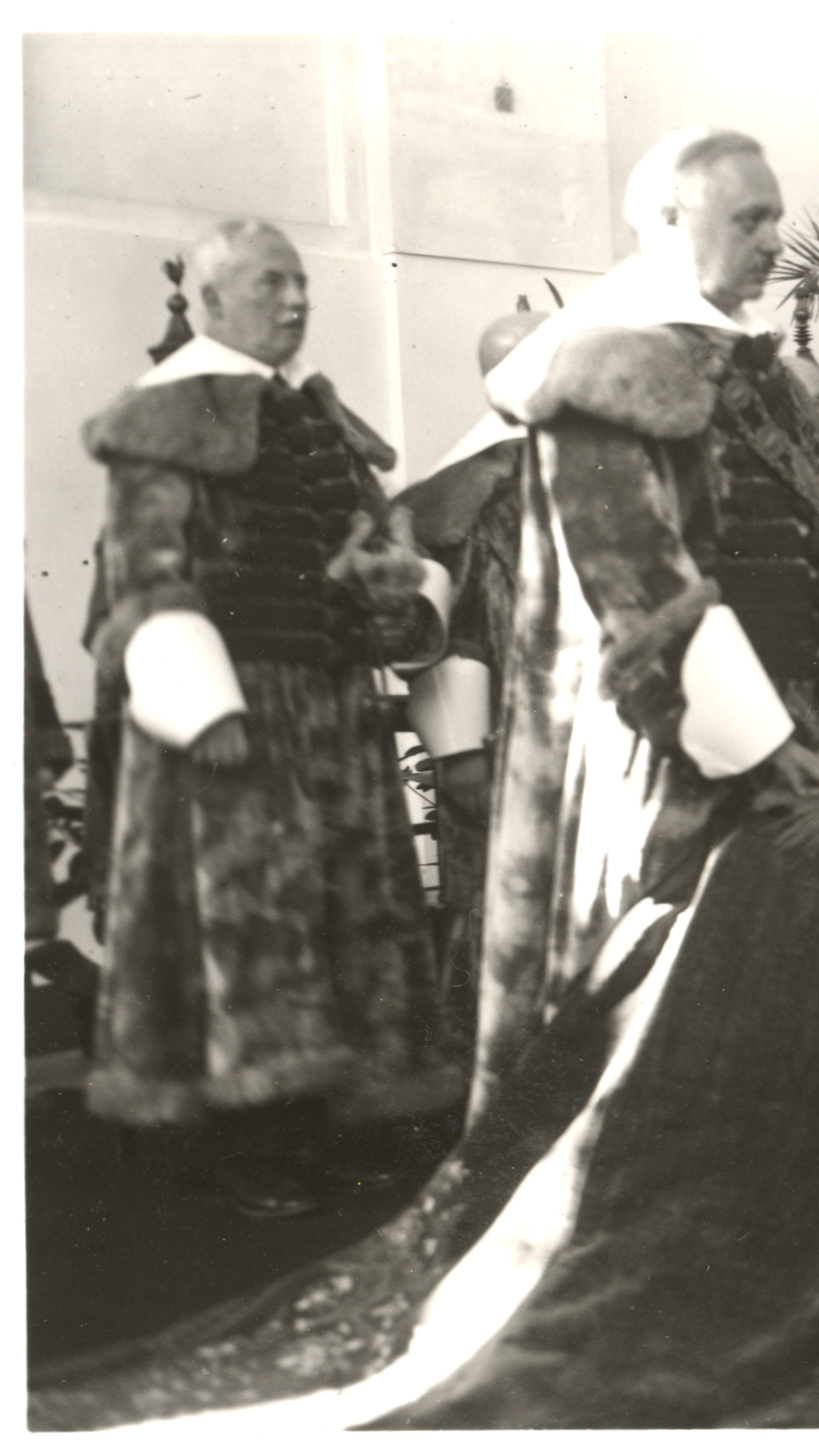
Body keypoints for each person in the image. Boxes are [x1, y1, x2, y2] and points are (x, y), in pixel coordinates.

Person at [469, 127, 819, 1122]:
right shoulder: (604, 367)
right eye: (748, 218)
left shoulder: (752, 370)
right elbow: (634, 577)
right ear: (669, 220)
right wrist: (759, 743)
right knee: (654, 1036)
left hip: (798, 735)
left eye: (776, 218)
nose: (773, 242)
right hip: (670, 757)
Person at [79, 218, 463, 1218]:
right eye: (268, 285)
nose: (295, 301)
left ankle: (340, 1118)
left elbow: (382, 540)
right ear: (211, 302)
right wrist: (204, 709)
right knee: (246, 925)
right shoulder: (164, 417)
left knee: (347, 916)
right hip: (229, 713)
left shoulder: (318, 416)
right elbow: (144, 576)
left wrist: (392, 586)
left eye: (300, 283)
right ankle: (248, 1141)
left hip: (335, 707)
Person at [395, 308, 548, 1051]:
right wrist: (459, 755)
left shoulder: (583, 471)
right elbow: (441, 634)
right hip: (498, 749)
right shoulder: (464, 494)